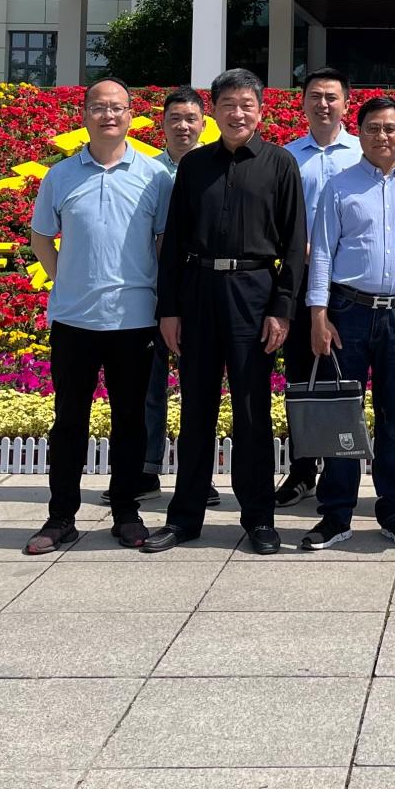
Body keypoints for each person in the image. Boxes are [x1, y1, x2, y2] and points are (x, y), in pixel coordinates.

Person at [144, 68, 305, 556]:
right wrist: (169, 309)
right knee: (196, 408)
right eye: (228, 105)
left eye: (246, 105)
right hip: (198, 292)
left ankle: (259, 518)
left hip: (254, 295)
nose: (238, 113)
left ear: (261, 110)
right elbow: (173, 242)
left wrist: (282, 309)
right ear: (213, 110)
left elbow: (295, 244)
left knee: (252, 411)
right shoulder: (195, 166)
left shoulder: (280, 164)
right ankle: (185, 517)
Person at [24, 78, 173, 555]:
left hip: (134, 320)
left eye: (117, 108)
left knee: (131, 421)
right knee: (69, 421)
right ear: (85, 114)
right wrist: (65, 279)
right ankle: (60, 517)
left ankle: (126, 513)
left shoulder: (155, 176)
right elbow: (41, 237)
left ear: (131, 115)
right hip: (74, 321)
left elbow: (164, 241)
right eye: (99, 107)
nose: (109, 115)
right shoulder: (61, 175)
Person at [304, 95, 395, 549]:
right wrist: (318, 314)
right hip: (347, 312)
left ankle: (394, 510)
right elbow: (322, 252)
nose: (381, 136)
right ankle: (336, 514)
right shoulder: (339, 186)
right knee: (342, 415)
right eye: (372, 128)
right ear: (360, 132)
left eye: (390, 128)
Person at [117, 86, 221, 512]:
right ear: (161, 124)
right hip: (152, 294)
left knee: (201, 389)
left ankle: (199, 476)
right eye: (175, 118)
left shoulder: (215, 168)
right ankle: (146, 469)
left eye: (191, 119)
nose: (183, 126)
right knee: (148, 386)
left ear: (203, 124)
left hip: (201, 294)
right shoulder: (147, 172)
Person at [277, 67, 361, 508]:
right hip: (302, 277)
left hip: (350, 282)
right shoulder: (287, 157)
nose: (323, 104)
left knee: (346, 374)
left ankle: (342, 471)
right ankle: (302, 470)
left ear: (346, 102)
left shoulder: (363, 153)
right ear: (304, 102)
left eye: (331, 97)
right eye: (315, 96)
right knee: (302, 376)